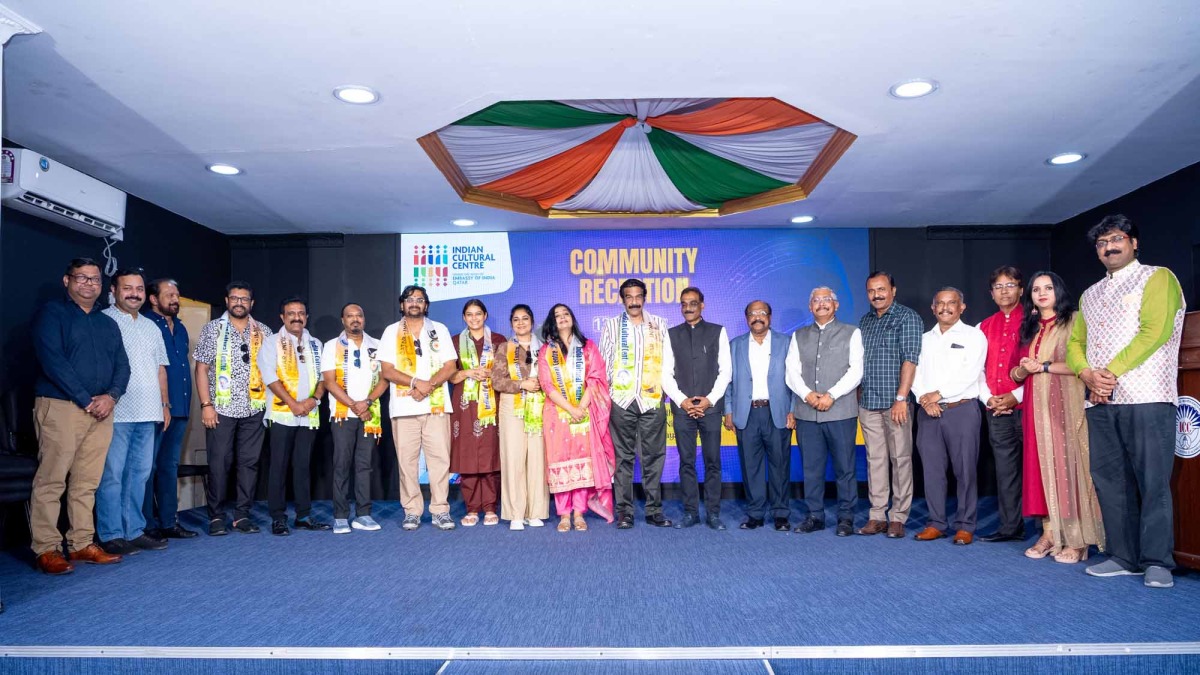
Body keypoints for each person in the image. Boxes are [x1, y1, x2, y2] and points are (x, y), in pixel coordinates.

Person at [1067, 215, 1185, 588]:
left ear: (1134, 243)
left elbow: (1156, 331)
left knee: (1152, 481)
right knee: (1110, 480)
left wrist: (1110, 373)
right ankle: (1123, 555)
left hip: (1147, 396)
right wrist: (1087, 374)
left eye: (1117, 239)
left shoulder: (1158, 277)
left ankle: (1157, 561)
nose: (1109, 247)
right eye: (1102, 243)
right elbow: (1074, 344)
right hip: (1100, 402)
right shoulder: (1091, 294)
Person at [29, 258, 128, 574]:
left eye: (95, 279)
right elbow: (53, 361)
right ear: (66, 280)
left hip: (102, 411)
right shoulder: (52, 314)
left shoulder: (107, 323)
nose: (89, 284)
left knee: (87, 482)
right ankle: (46, 548)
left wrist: (111, 397)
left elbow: (122, 367)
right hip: (61, 407)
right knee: (51, 481)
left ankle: (82, 543)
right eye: (82, 278)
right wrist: (87, 400)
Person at [1011, 271, 1104, 563]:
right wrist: (1026, 369)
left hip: (1068, 404)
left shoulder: (1075, 321)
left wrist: (1046, 366)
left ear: (1058, 291)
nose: (1041, 293)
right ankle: (1050, 534)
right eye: (1036, 289)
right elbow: (1015, 374)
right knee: (1042, 470)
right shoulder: (1029, 327)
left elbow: (1085, 364)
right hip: (1035, 410)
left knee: (1071, 466)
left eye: (1047, 287)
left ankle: (1078, 539)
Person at [97, 268, 171, 555]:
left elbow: (160, 369)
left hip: (149, 411)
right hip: (117, 412)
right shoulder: (103, 321)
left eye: (139, 289)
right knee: (112, 474)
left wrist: (164, 405)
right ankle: (111, 533)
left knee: (139, 474)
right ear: (113, 290)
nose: (134, 293)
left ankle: (133, 530)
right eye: (127, 288)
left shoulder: (152, 326)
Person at [194, 281, 273, 536]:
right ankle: (216, 516)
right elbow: (202, 368)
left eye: (244, 299)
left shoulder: (264, 332)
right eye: (235, 298)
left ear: (252, 303)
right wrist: (206, 405)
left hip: (255, 408)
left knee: (249, 463)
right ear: (227, 301)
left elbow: (272, 372)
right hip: (221, 408)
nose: (239, 302)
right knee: (219, 463)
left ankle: (242, 515)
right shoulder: (212, 330)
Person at [379, 285, 459, 531]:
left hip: (436, 406)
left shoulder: (440, 330)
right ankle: (412, 510)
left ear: (426, 305)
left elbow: (450, 366)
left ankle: (440, 510)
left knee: (439, 460)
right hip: (404, 408)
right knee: (407, 462)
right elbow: (387, 370)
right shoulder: (391, 331)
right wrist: (415, 382)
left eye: (420, 300)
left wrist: (429, 385)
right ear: (402, 304)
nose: (415, 303)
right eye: (410, 299)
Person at [911, 288, 987, 546]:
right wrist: (924, 397)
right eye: (940, 304)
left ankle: (965, 525)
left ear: (961, 307)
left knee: (965, 470)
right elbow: (914, 373)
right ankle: (936, 523)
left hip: (961, 410)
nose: (945, 308)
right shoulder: (923, 339)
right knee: (932, 471)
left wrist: (938, 394)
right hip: (928, 412)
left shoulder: (975, 336)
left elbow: (970, 373)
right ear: (933, 308)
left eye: (951, 303)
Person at [785, 287, 863, 537]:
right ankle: (815, 516)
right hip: (807, 414)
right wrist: (807, 394)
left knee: (845, 468)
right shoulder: (798, 336)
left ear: (836, 305)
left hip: (840, 412)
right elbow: (791, 372)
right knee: (811, 468)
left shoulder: (852, 333)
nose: (821, 304)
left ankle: (846, 517)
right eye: (816, 300)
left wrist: (832, 395)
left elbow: (856, 371)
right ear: (810, 307)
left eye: (826, 299)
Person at [538, 303, 616, 532]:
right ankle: (563, 514)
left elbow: (596, 378)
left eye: (566, 314)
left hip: (584, 412)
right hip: (557, 414)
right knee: (560, 461)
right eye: (557, 315)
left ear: (572, 318)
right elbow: (547, 384)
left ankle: (579, 512)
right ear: (552, 322)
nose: (562, 318)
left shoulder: (588, 347)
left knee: (583, 462)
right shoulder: (546, 351)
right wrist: (570, 409)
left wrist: (580, 407)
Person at [601, 279, 671, 529]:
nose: (633, 301)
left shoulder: (659, 325)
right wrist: (609, 396)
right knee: (623, 458)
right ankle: (625, 511)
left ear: (644, 297)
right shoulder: (611, 326)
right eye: (628, 297)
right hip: (622, 400)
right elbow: (605, 364)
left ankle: (654, 510)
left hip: (652, 400)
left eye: (638, 296)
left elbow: (668, 363)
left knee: (654, 456)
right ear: (622, 300)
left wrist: (665, 393)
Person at [857, 271, 922, 539]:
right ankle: (877, 515)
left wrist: (901, 398)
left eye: (882, 289)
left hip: (896, 403)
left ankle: (898, 517)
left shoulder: (908, 317)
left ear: (893, 290)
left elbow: (910, 359)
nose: (877, 295)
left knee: (901, 459)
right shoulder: (865, 322)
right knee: (875, 461)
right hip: (869, 402)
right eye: (872, 290)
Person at [258, 296, 328, 536]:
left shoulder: (316, 344)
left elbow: (323, 379)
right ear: (282, 317)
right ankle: (278, 517)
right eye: (291, 313)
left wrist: (313, 400)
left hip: (309, 414)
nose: (296, 317)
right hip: (281, 414)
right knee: (278, 466)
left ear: (306, 317)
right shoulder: (271, 343)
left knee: (302, 466)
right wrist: (293, 404)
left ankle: (303, 516)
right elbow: (270, 378)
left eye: (301, 313)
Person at [662, 287, 731, 530]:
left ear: (703, 305)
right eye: (683, 304)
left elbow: (726, 371)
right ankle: (691, 512)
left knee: (713, 462)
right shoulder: (671, 335)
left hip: (710, 410)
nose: (688, 308)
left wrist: (709, 400)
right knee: (686, 463)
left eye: (693, 303)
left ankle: (713, 513)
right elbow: (666, 374)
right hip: (682, 410)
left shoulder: (717, 332)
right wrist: (682, 401)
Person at [724, 300, 796, 532]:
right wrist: (728, 410)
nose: (758, 317)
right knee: (751, 466)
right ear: (747, 319)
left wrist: (793, 409)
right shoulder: (735, 345)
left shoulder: (786, 343)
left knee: (780, 465)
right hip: (747, 414)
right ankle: (754, 513)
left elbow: (795, 379)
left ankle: (780, 514)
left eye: (762, 313)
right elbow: (727, 382)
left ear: (770, 317)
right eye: (753, 313)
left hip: (778, 412)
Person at [321, 303, 388, 534]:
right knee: (341, 464)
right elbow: (329, 382)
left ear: (364, 319)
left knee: (364, 465)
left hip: (369, 415)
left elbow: (384, 379)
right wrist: (354, 405)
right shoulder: (332, 346)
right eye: (350, 316)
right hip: (343, 414)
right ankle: (340, 515)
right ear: (343, 320)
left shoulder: (377, 346)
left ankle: (363, 514)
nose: (355, 319)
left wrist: (366, 403)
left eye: (359, 315)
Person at [976, 267, 1027, 543]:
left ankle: (1051, 531)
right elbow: (978, 370)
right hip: (996, 410)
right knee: (1005, 472)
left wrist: (1015, 396)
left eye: (1010, 285)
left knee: (1039, 469)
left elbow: (1039, 366)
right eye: (998, 286)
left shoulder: (1034, 321)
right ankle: (1011, 528)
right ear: (991, 293)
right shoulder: (983, 327)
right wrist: (990, 399)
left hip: (1029, 407)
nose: (1004, 290)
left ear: (1021, 289)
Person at [144, 278, 197, 539]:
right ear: (153, 299)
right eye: (169, 294)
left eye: (177, 294)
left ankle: (168, 522)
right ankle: (144, 526)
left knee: (168, 467)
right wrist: (162, 404)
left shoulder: (182, 328)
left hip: (180, 407)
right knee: (147, 468)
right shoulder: (145, 325)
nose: (175, 299)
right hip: (154, 409)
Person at [490, 304, 550, 531]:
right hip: (512, 406)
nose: (521, 323)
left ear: (532, 322)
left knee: (536, 459)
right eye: (516, 319)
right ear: (511, 324)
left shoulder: (545, 349)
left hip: (539, 408)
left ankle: (535, 511)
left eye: (525, 319)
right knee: (513, 459)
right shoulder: (504, 347)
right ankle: (515, 513)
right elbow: (497, 380)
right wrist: (521, 384)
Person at [449, 299, 507, 527]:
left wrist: (490, 374)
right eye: (469, 315)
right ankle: (472, 508)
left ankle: (491, 506)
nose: (474, 318)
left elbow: (507, 373)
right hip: (464, 404)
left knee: (491, 453)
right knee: (467, 455)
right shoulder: (454, 342)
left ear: (485, 315)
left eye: (478, 314)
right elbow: (450, 376)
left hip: (491, 402)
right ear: (464, 317)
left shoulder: (500, 340)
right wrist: (468, 373)